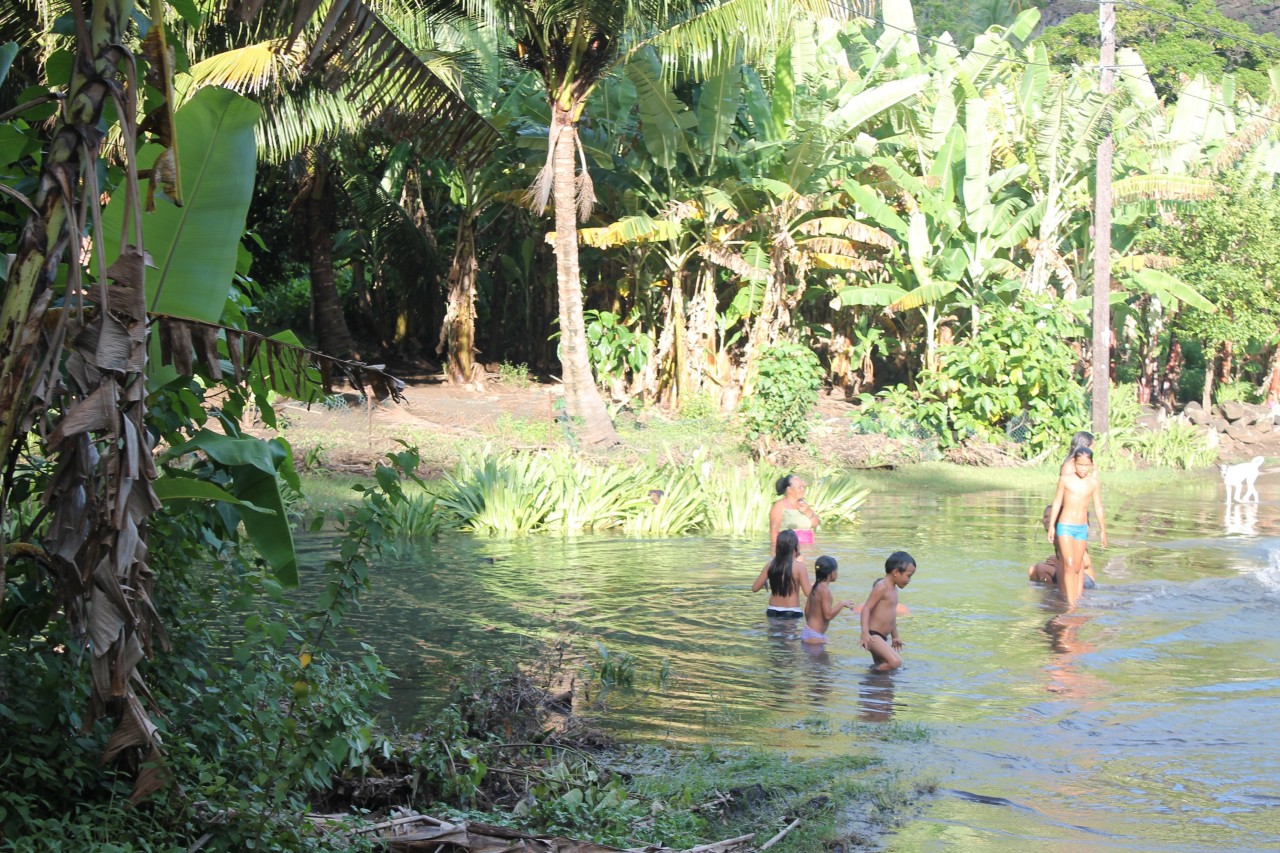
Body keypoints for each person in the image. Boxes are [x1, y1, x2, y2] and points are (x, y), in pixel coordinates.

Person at [1047, 447, 1107, 608]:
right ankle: (1070, 602)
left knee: (1077, 565)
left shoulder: (1093, 483)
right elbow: (1057, 502)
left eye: (1086, 465)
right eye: (1079, 465)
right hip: (1065, 525)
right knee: (1070, 563)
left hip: (1081, 528)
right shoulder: (1065, 480)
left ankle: (1074, 599)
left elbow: (1098, 506)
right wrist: (1052, 525)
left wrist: (1103, 530)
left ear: (1092, 465)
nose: (1082, 469)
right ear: (1074, 463)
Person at [859, 551, 916, 671]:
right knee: (895, 662)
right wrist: (865, 633)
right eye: (908, 575)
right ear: (895, 572)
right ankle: (870, 675)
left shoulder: (894, 590)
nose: (909, 580)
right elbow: (866, 609)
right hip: (873, 636)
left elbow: (891, 617)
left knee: (885, 675)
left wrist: (895, 637)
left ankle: (874, 685)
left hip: (882, 637)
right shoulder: (882, 586)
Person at [1029, 504, 1096, 589]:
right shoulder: (1055, 537)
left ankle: (1054, 595)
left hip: (1085, 580)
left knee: (1040, 567)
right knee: (1032, 570)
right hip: (1071, 576)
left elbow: (1086, 562)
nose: (1047, 520)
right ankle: (1051, 594)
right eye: (1045, 517)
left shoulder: (1065, 535)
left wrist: (1057, 562)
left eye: (1051, 516)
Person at [752, 529, 812, 618]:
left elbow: (754, 588)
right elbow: (808, 593)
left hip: (772, 611)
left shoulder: (770, 565)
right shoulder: (800, 567)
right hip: (792, 612)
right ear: (796, 546)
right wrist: (818, 586)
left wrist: (764, 582)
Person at [802, 557, 853, 644]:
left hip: (808, 631)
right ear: (831, 573)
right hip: (815, 635)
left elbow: (806, 611)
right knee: (821, 657)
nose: (837, 573)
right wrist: (842, 603)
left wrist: (811, 628)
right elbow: (828, 616)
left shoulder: (815, 587)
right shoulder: (825, 590)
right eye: (836, 571)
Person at [769, 474, 820, 551]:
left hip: (807, 553)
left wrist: (807, 511)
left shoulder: (804, 504)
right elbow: (774, 530)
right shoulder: (779, 505)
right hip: (788, 552)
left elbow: (815, 524)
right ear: (789, 489)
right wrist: (776, 553)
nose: (803, 489)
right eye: (799, 487)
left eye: (803, 487)